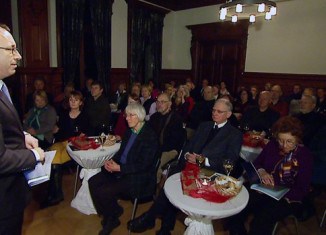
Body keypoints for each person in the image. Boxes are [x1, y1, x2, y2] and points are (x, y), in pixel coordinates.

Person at [128, 98, 243, 235]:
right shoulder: (204, 126)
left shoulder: (234, 134)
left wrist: (202, 161)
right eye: (213, 110)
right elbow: (189, 145)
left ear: (228, 114)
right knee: (170, 187)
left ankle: (153, 219)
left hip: (210, 173)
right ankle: (161, 225)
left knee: (175, 188)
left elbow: (229, 161)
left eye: (219, 111)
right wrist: (187, 154)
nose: (215, 113)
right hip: (189, 166)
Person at [228, 116, 313, 235]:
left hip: (287, 197)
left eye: (289, 141)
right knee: (235, 208)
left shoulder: (304, 156)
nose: (283, 145)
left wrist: (273, 188)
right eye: (280, 140)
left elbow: (301, 190)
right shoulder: (272, 145)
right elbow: (257, 163)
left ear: (297, 139)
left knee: (261, 220)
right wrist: (262, 171)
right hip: (263, 189)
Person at [0, 24, 45, 235]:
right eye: (11, 49)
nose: (18, 56)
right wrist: (34, 155)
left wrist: (23, 135)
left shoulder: (3, 86)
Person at [88, 103, 159, 235]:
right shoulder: (129, 131)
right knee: (92, 182)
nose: (127, 118)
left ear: (139, 116)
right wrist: (111, 161)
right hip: (122, 170)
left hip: (138, 176)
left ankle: (112, 219)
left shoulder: (150, 136)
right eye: (126, 115)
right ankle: (112, 212)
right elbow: (122, 153)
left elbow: (144, 165)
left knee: (105, 191)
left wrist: (120, 168)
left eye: (131, 115)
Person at [43, 91, 89, 208]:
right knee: (52, 155)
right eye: (71, 100)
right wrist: (55, 130)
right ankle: (55, 193)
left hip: (75, 145)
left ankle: (54, 194)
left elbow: (84, 135)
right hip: (62, 142)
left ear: (80, 102)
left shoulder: (85, 116)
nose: (73, 102)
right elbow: (58, 132)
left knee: (55, 159)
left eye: (76, 100)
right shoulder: (63, 115)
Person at [149, 93, 185, 182]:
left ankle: (153, 189)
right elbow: (148, 136)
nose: (159, 104)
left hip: (169, 150)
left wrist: (155, 150)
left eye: (162, 102)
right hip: (155, 148)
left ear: (169, 104)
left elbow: (172, 143)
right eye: (157, 102)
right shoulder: (154, 117)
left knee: (155, 163)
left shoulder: (176, 119)